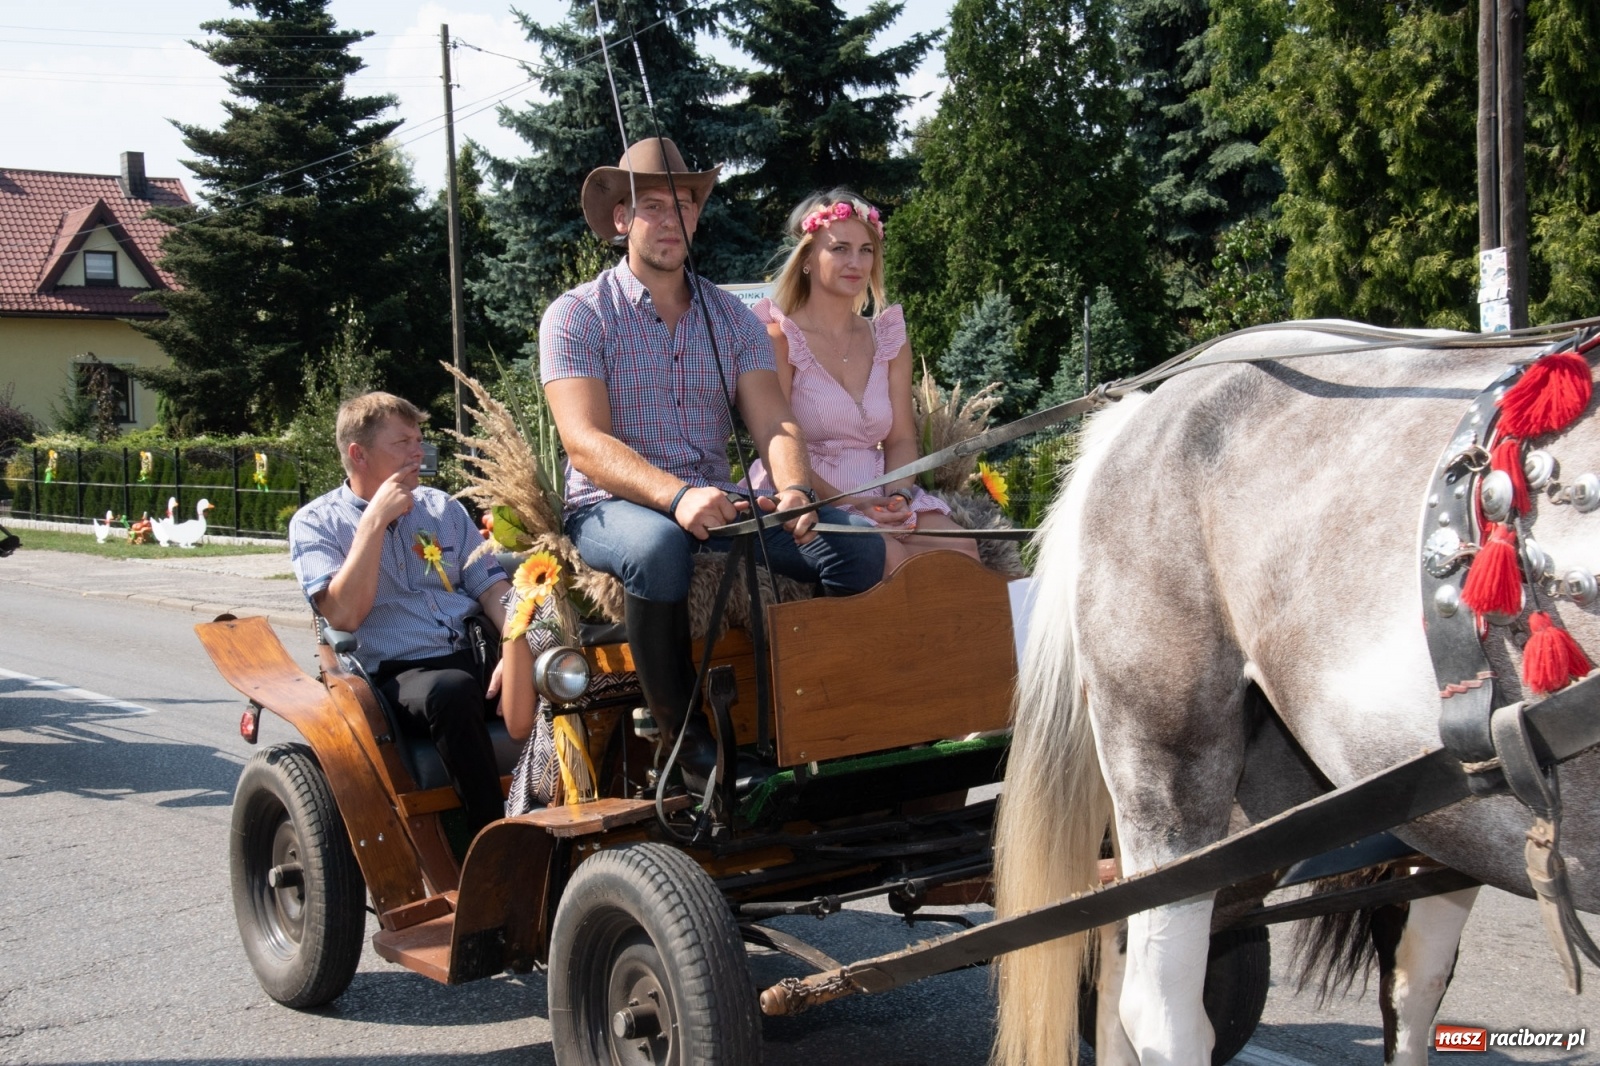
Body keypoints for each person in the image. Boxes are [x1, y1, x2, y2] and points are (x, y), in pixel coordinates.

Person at [539, 137, 884, 786]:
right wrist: (676, 497)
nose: (671, 221)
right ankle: (684, 743)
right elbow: (584, 441)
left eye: (684, 206)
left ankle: (820, 717)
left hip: (716, 504)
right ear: (622, 218)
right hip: (610, 508)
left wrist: (794, 489)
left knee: (856, 548)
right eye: (653, 207)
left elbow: (775, 420)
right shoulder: (577, 316)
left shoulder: (731, 319)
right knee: (658, 546)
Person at [289, 392, 512, 835]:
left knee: (562, 669)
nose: (418, 453)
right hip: (398, 673)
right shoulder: (316, 522)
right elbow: (344, 616)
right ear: (359, 454)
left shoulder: (442, 508)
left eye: (419, 440)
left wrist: (517, 646)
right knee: (451, 690)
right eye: (403, 443)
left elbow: (492, 588)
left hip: (476, 655)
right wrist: (373, 522)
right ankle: (495, 843)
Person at [749, 189, 980, 575]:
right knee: (888, 559)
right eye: (839, 249)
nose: (855, 263)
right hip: (807, 492)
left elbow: (901, 438)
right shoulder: (780, 337)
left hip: (880, 488)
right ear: (806, 259)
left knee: (962, 549)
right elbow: (776, 442)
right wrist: (852, 504)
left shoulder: (888, 338)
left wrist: (899, 495)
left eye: (866, 250)